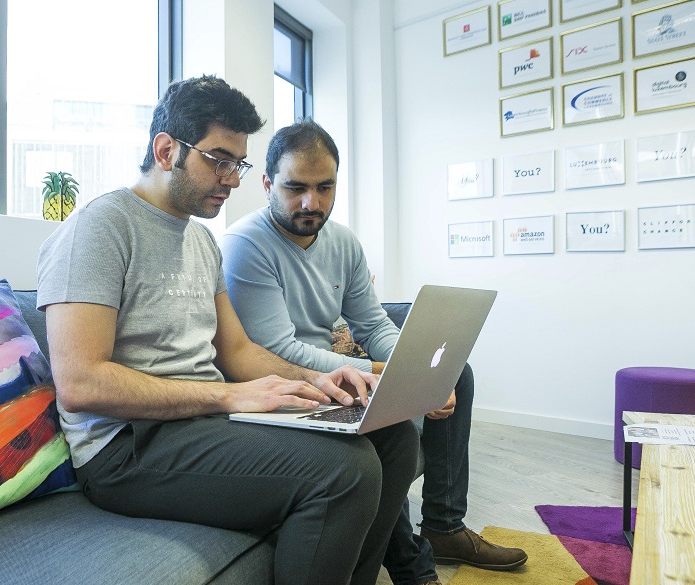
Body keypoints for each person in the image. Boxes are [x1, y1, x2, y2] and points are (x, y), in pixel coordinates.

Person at [36, 76, 420, 585]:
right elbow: (81, 383)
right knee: (345, 471)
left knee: (392, 434)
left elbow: (237, 350)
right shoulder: (98, 228)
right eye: (219, 160)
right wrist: (228, 396)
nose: (232, 179)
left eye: (238, 164)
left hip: (201, 421)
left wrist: (316, 380)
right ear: (166, 150)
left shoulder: (201, 240)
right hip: (126, 446)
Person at [221, 119, 529, 585]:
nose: (311, 202)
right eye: (296, 188)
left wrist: (410, 367)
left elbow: (373, 324)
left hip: (334, 379)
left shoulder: (342, 241)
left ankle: (444, 525)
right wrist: (377, 370)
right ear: (267, 184)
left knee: (456, 374)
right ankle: (413, 567)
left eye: (325, 187)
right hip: (284, 383)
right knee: (385, 436)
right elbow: (278, 349)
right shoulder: (245, 244)